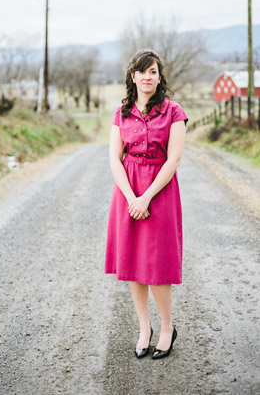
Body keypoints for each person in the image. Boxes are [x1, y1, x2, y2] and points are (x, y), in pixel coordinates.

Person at [105, 48, 187, 360]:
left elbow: (174, 158)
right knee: (133, 265)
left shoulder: (173, 111)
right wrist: (130, 197)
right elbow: (114, 157)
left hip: (160, 191)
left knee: (158, 264)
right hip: (127, 190)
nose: (147, 77)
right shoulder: (121, 112)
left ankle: (167, 327)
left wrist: (146, 197)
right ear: (133, 76)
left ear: (159, 76)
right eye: (142, 71)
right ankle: (144, 328)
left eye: (153, 71)